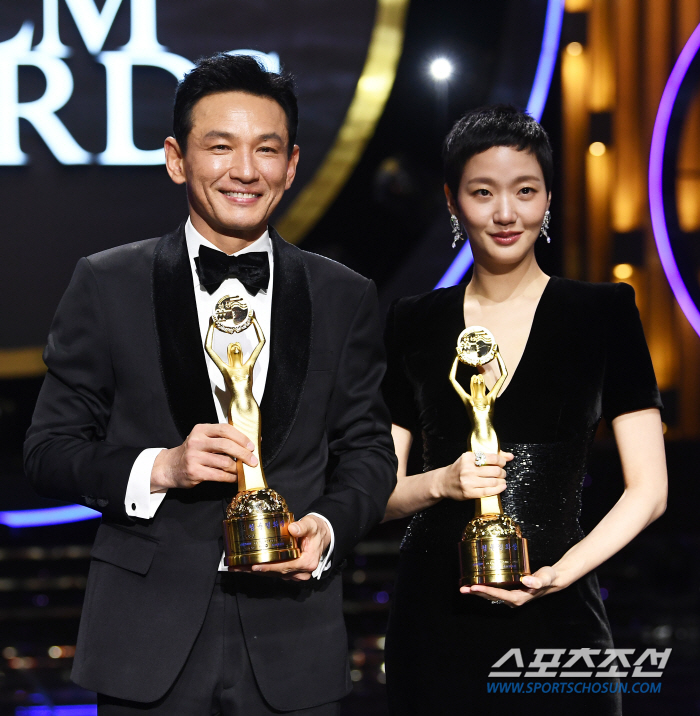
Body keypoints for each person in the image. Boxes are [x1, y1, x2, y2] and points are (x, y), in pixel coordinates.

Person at [24, 53, 397, 715]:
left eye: (266, 149)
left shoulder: (344, 295)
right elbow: (49, 451)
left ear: (292, 165)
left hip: (295, 636)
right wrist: (161, 467)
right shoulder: (107, 283)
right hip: (147, 639)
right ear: (176, 159)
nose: (245, 170)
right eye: (220, 147)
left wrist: (328, 528)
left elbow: (368, 452)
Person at [381, 105, 667, 714]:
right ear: (453, 201)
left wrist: (560, 575)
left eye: (525, 191)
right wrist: (441, 482)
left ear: (548, 198)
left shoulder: (603, 313)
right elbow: (377, 491)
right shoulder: (413, 321)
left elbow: (650, 489)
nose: (506, 213)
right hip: (435, 617)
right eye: (483, 192)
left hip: (560, 615)